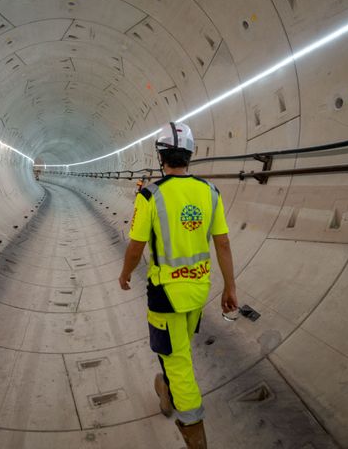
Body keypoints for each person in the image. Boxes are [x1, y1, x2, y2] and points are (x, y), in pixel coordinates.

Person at [118, 122, 238, 449]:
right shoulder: (210, 192)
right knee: (178, 348)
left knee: (178, 361)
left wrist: (125, 273)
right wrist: (230, 287)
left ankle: (194, 432)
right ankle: (167, 391)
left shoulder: (150, 195)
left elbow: (135, 246)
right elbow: (223, 243)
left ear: (161, 157)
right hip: (198, 291)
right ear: (190, 155)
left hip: (166, 296)